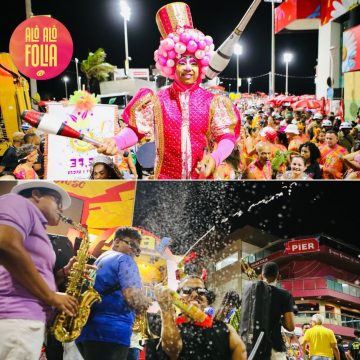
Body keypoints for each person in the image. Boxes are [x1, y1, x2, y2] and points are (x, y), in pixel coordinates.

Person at [97, 2, 240, 179]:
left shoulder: (213, 101)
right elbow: (136, 130)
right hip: (165, 183)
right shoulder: (156, 100)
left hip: (201, 182)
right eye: (182, 61)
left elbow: (226, 137)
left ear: (202, 63)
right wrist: (117, 141)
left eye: (194, 62)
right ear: (170, 63)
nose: (188, 67)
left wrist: (215, 157)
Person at [0, 181, 79, 360]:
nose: (61, 209)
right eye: (57, 202)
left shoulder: (37, 225)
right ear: (36, 194)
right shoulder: (19, 202)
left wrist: (64, 272)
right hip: (15, 319)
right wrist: (51, 296)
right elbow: (5, 244)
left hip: (22, 322)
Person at [76, 227, 153, 360]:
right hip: (113, 333)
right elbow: (132, 297)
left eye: (137, 249)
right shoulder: (125, 260)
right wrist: (145, 302)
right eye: (132, 245)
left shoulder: (100, 259)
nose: (135, 251)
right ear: (116, 242)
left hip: (88, 332)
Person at [151, 275, 247, 359]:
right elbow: (172, 351)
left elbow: (241, 351)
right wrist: (166, 310)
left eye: (201, 291)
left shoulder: (226, 329)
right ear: (177, 297)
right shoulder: (170, 327)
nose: (194, 294)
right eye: (187, 291)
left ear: (207, 299)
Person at [257, 261, 295, 360]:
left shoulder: (250, 293)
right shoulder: (284, 295)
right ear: (278, 276)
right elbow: (290, 326)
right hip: (274, 347)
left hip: (253, 346)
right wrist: (281, 319)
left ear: (261, 276)